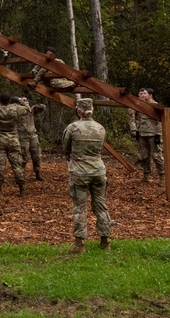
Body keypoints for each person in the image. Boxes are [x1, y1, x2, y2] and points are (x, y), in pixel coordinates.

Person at [63, 98, 111, 253]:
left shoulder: (73, 128)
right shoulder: (100, 128)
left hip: (80, 172)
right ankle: (105, 241)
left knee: (79, 208)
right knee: (101, 206)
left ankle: (79, 244)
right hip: (98, 171)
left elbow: (66, 148)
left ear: (78, 111)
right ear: (92, 110)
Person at [127, 87, 164, 182]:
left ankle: (162, 177)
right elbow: (133, 117)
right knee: (144, 156)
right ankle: (146, 175)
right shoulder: (139, 105)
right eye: (140, 94)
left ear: (150, 95)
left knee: (157, 156)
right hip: (142, 133)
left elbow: (160, 121)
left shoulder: (156, 106)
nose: (141, 95)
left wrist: (158, 134)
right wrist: (135, 130)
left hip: (153, 134)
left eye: (144, 93)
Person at [17, 96, 47, 181]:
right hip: (23, 136)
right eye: (23, 100)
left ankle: (38, 173)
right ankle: (21, 176)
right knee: (23, 156)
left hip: (33, 136)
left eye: (26, 100)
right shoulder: (18, 110)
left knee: (36, 156)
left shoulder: (31, 110)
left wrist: (33, 106)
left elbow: (43, 107)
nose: (25, 101)